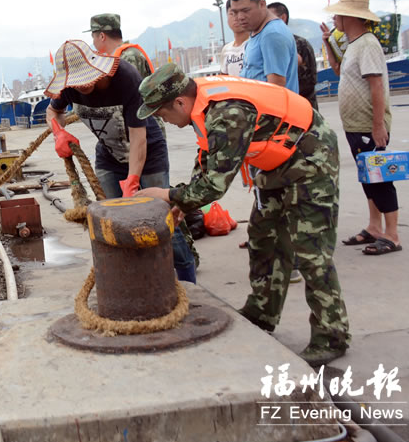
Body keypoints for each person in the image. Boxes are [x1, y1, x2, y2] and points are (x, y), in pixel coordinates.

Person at [135, 63, 350, 365]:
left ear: (179, 102)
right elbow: (208, 158)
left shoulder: (226, 113)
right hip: (275, 162)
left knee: (311, 249)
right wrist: (183, 203)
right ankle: (262, 312)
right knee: (263, 238)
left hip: (311, 156)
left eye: (162, 114)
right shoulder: (201, 106)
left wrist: (168, 194)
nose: (164, 120)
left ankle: (332, 335)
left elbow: (216, 183)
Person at [45, 39, 196, 283]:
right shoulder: (69, 86)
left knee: (161, 217)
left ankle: (187, 276)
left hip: (148, 152)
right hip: (109, 154)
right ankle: (131, 279)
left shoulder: (125, 77)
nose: (81, 86)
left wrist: (134, 178)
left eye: (86, 78)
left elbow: (138, 137)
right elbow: (53, 111)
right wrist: (58, 132)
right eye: (75, 82)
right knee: (111, 220)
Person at [87, 13, 200, 274]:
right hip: (117, 149)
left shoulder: (126, 61)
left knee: (160, 215)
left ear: (101, 35)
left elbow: (139, 123)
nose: (94, 43)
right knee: (121, 217)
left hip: (145, 146)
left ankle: (184, 268)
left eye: (94, 37)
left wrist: (133, 176)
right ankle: (139, 273)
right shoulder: (110, 62)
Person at [322, 0, 401, 255]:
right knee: (368, 177)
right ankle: (374, 226)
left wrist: (378, 125)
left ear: (350, 16)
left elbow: (376, 86)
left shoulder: (367, 44)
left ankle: (392, 234)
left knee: (380, 178)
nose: (334, 18)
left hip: (369, 125)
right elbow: (337, 70)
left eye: (338, 14)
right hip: (355, 125)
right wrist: (327, 43)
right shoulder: (353, 44)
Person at [230, 0, 298, 92]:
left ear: (262, 4)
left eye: (245, 10)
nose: (240, 17)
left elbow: (276, 89)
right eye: (235, 12)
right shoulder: (256, 32)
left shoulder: (272, 34)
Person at [268, 1, 319, 109]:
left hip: (303, 106)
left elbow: (311, 79)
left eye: (269, 18)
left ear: (282, 18)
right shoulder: (268, 44)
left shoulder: (301, 44)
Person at [220, 0, 249, 76]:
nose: (236, 18)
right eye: (232, 13)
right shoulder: (226, 50)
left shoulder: (255, 44)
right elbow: (224, 79)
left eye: (240, 13)